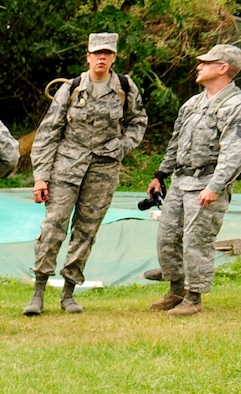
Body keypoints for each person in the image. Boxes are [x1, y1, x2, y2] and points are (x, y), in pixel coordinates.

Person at [26, 33, 148, 315]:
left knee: (86, 230)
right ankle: (38, 290)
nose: (101, 58)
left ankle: (69, 292)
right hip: (66, 167)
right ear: (88, 57)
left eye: (107, 53)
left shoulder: (125, 88)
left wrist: (121, 147)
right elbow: (48, 132)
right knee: (53, 225)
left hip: (103, 170)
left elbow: (138, 122)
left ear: (114, 57)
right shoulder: (71, 88)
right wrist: (41, 177)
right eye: (97, 53)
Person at [149, 44, 241, 316]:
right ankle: (176, 289)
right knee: (168, 237)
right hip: (180, 181)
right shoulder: (194, 103)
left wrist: (215, 187)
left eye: (206, 62)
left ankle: (194, 297)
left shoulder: (238, 106)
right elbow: (176, 142)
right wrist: (160, 175)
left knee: (196, 240)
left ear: (223, 68)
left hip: (207, 183)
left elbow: (235, 152)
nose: (199, 66)